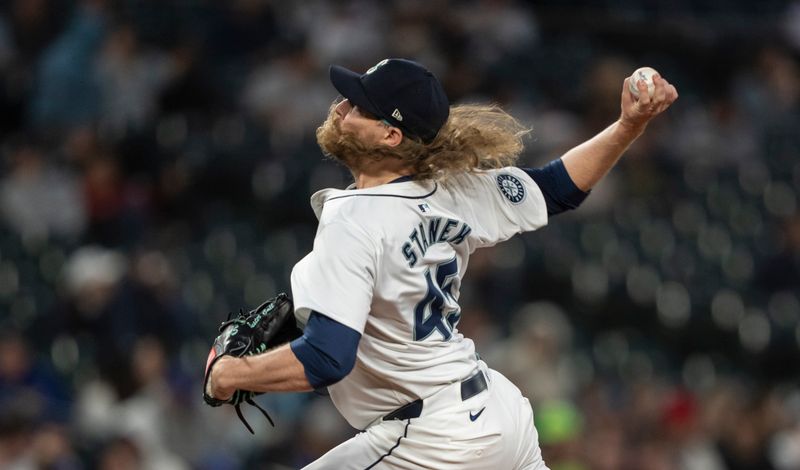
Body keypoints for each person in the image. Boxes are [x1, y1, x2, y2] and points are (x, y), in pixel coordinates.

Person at [206, 58, 678, 469]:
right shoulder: (451, 190)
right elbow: (556, 188)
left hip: (435, 439)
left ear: (391, 135)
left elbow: (328, 358)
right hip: (499, 416)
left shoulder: (351, 218)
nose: (340, 107)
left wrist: (230, 375)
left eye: (356, 105)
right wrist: (627, 127)